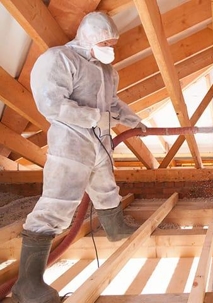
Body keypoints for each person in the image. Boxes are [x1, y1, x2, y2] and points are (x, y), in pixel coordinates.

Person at [11, 12, 146, 303]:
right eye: (105, 41)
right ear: (89, 37)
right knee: (58, 203)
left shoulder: (109, 72)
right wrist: (96, 117)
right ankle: (28, 283)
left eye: (113, 42)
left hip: (99, 143)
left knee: (107, 191)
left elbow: (112, 104)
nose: (111, 46)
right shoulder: (59, 59)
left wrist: (134, 121)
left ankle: (116, 229)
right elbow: (52, 104)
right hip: (70, 143)